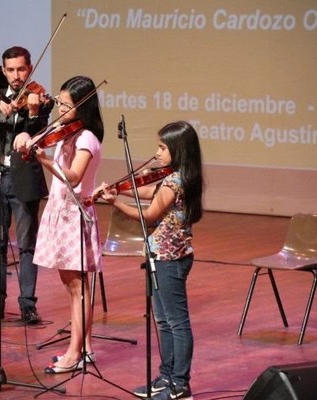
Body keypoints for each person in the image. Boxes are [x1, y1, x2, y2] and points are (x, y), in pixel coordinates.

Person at [96, 120, 203, 399]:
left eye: (162, 148)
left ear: (178, 151)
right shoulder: (177, 177)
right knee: (164, 321)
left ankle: (180, 384)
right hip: (159, 255)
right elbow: (148, 192)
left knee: (176, 322)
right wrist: (120, 189)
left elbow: (150, 214)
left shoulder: (176, 179)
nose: (157, 153)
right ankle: (166, 377)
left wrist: (114, 203)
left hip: (170, 258)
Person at [20, 75, 104, 373]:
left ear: (83, 106)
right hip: (60, 212)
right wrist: (27, 135)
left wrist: (43, 159)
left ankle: (74, 353)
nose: (61, 109)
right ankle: (87, 347)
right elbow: (37, 139)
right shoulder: (66, 133)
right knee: (72, 286)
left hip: (74, 216)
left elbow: (74, 177)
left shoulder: (86, 138)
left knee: (77, 287)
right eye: (61, 102)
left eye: (67, 105)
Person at [0, 46, 53, 325]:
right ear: (4, 71)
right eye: (11, 70)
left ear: (29, 69)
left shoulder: (39, 99)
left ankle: (28, 304)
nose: (16, 76)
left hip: (23, 179)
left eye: (21, 69)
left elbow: (41, 127)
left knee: (27, 245)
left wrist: (29, 123)